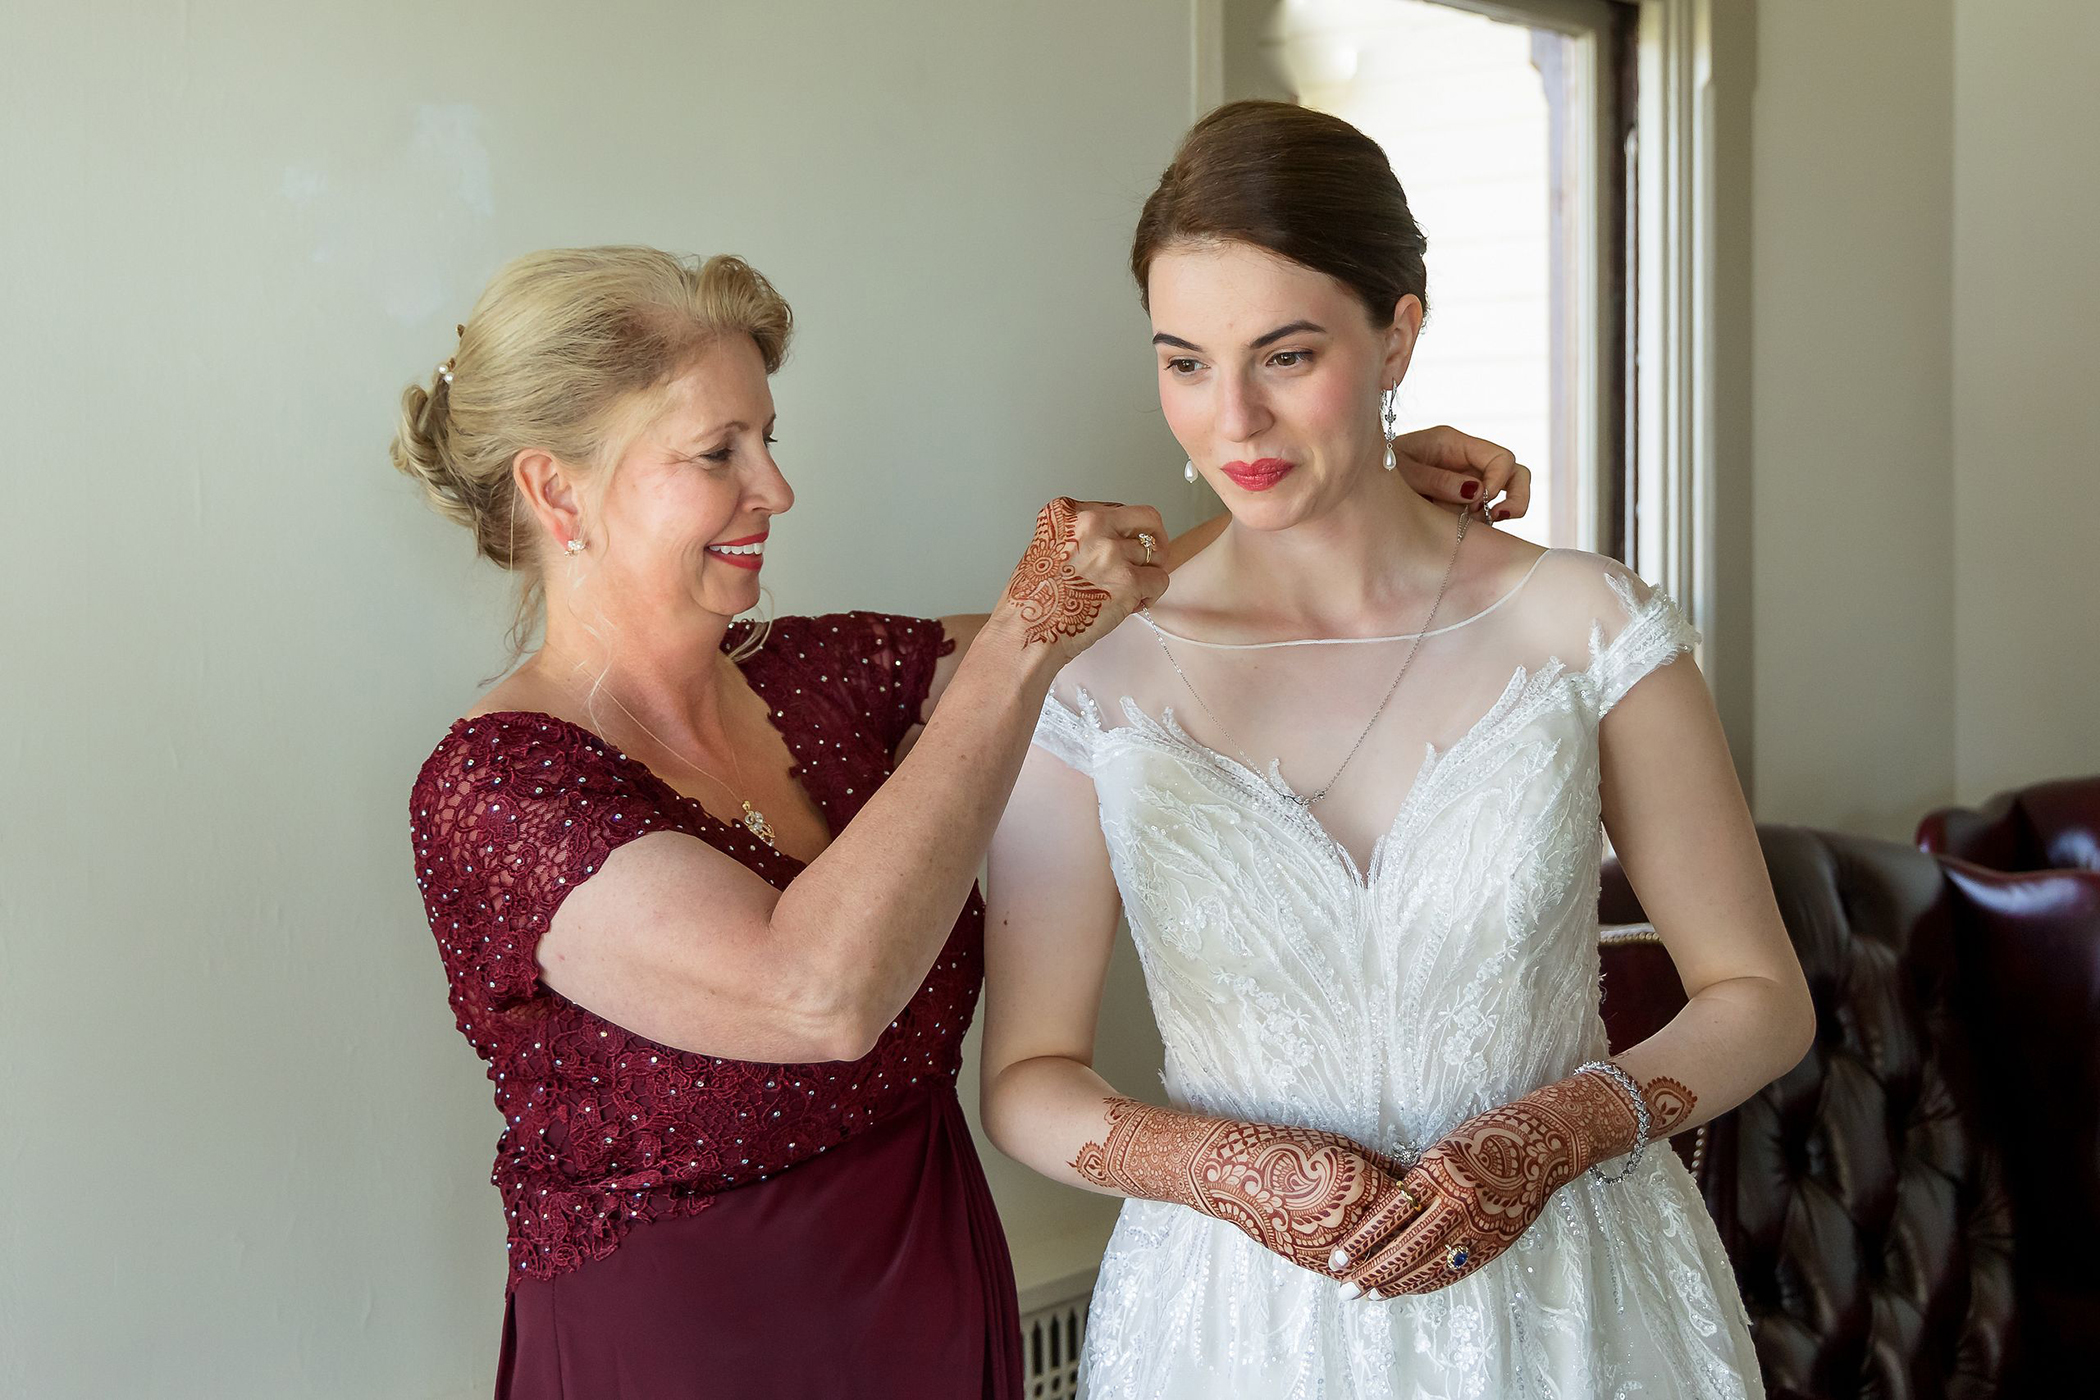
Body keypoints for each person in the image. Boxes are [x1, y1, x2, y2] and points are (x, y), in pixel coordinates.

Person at [392, 245, 1528, 1398]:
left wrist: (1342, 479)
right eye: (717, 452)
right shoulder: (499, 790)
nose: (774, 487)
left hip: (933, 1305)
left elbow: (1126, 593)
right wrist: (1026, 637)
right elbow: (817, 994)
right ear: (557, 490)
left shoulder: (821, 675)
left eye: (768, 438)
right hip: (685, 1355)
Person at [980, 101, 1813, 1398]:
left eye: (1287, 356)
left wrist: (1559, 1132)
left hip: (1578, 1308)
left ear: (1398, 338)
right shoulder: (1094, 671)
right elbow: (1027, 1079)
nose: (1233, 420)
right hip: (1233, 1329)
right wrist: (1227, 1169)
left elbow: (1759, 995)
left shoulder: (1582, 624)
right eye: (1186, 362)